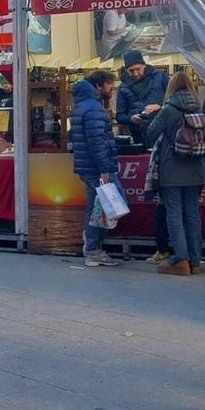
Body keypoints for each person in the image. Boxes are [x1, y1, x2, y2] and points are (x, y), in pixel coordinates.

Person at [144, 72, 205, 276]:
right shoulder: (199, 108)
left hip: (172, 169)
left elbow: (150, 134)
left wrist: (152, 116)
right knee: (192, 214)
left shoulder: (169, 109)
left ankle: (181, 260)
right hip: (196, 168)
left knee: (174, 213)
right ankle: (195, 261)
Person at [68, 70, 120, 268]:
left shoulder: (81, 106)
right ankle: (93, 247)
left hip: (86, 167)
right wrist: (104, 169)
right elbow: (97, 142)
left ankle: (92, 247)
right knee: (111, 206)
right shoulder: (95, 108)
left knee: (96, 207)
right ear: (100, 85)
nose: (112, 88)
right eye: (109, 84)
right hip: (97, 167)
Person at [115, 52, 167, 147]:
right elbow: (119, 116)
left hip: (162, 133)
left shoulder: (160, 77)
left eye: (138, 69)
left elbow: (173, 100)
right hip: (138, 136)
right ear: (126, 70)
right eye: (131, 71)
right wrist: (131, 119)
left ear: (144, 66)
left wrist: (160, 106)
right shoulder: (123, 88)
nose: (135, 73)